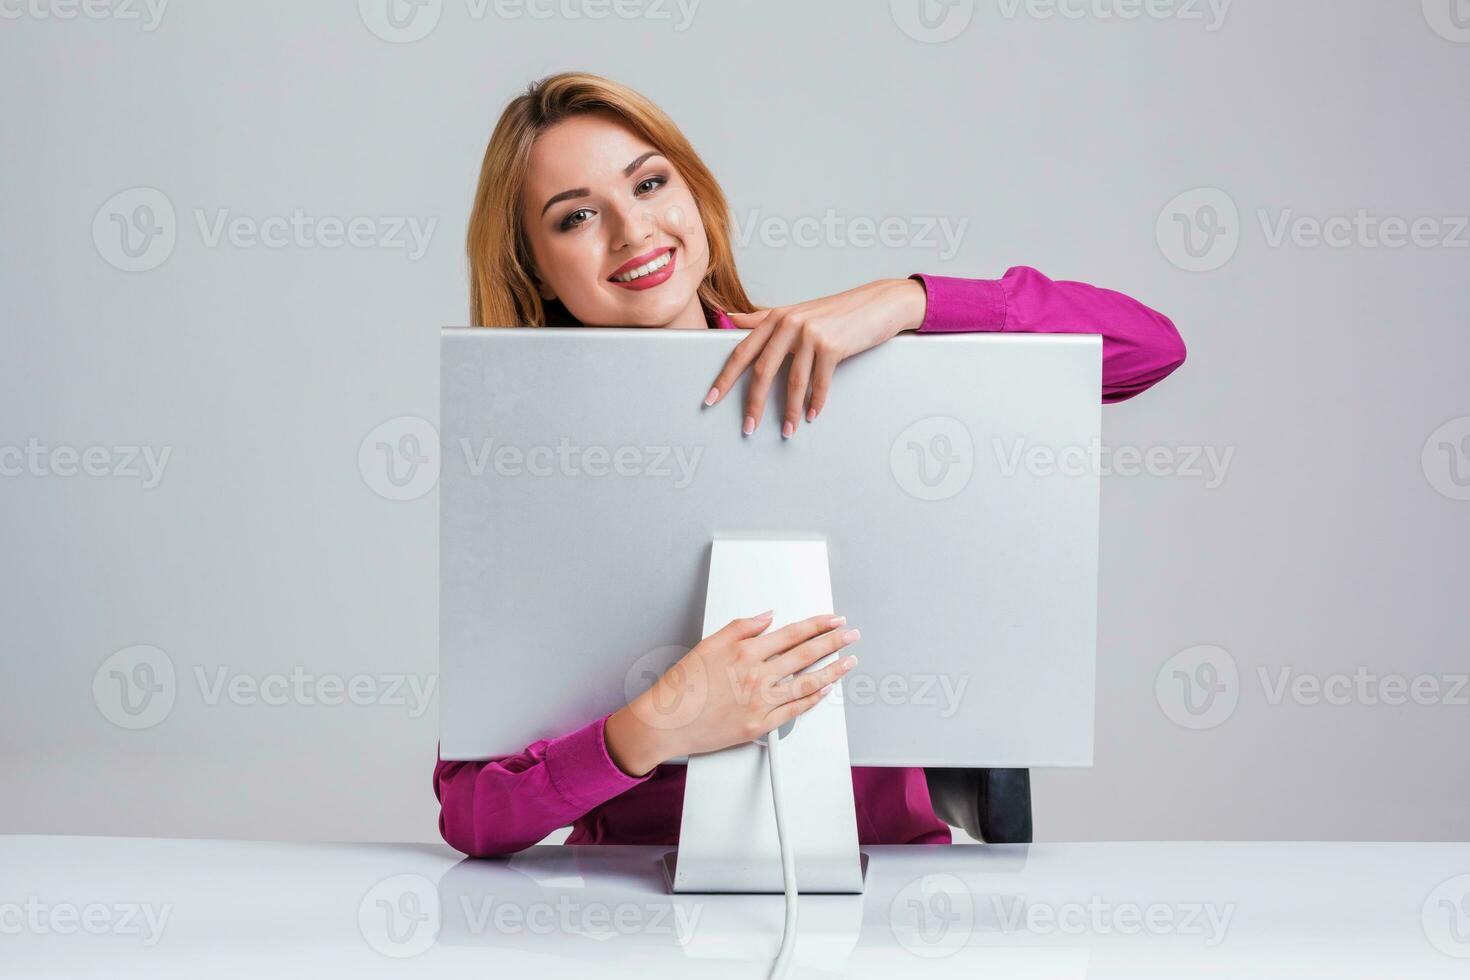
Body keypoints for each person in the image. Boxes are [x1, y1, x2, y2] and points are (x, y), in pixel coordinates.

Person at [437, 71, 1187, 857]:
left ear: (695, 196)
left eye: (650, 184)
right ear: (531, 267)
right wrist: (651, 725)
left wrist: (912, 302)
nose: (632, 232)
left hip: (891, 892)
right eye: (578, 216)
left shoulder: (841, 368)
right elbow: (471, 814)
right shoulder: (522, 459)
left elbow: (1151, 350)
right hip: (634, 907)